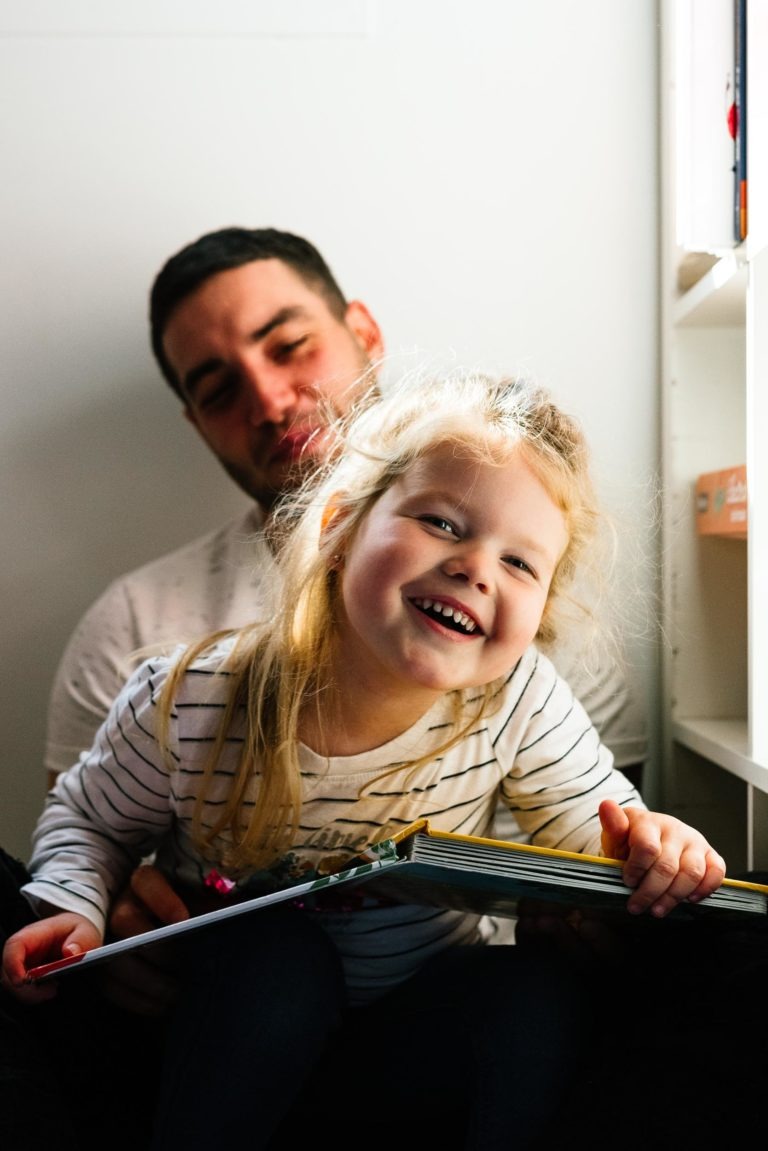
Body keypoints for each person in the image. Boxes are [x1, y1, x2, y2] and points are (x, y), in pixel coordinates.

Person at [3, 371, 724, 1150]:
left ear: (540, 613)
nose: (477, 568)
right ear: (338, 530)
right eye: (443, 523)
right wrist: (70, 906)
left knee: (529, 993)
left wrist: (657, 843)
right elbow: (87, 819)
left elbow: (602, 834)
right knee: (279, 955)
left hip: (406, 1041)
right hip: (226, 1036)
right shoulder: (198, 698)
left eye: (520, 564)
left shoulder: (517, 701)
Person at [42, 227, 647, 983]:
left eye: (289, 345)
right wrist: (100, 920)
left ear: (363, 332)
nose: (267, 398)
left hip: (436, 1002)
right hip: (230, 998)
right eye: (220, 388)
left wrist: (595, 915)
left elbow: (603, 843)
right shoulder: (143, 642)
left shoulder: (528, 658)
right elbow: (85, 835)